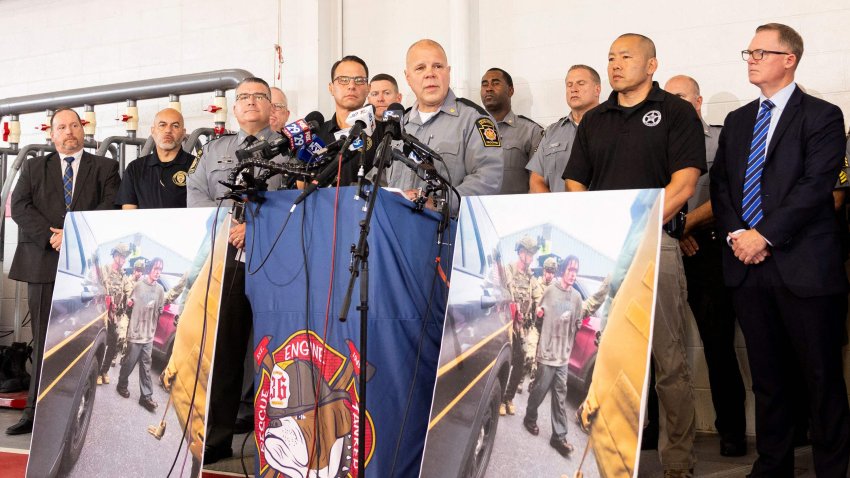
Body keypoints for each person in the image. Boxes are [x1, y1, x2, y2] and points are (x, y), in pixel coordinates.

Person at [709, 23, 850, 477]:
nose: (750, 58)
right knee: (768, 381)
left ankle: (832, 468)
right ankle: (772, 465)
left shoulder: (824, 116)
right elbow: (723, 186)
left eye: (760, 52)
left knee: (821, 378)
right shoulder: (736, 120)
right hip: (748, 269)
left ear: (789, 59)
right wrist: (737, 235)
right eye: (747, 52)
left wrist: (762, 236)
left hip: (804, 266)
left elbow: (815, 187)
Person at [564, 33, 705, 478]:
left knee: (669, 361)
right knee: (603, 358)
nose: (616, 64)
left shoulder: (677, 114)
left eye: (626, 57)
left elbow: (683, 185)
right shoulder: (595, 119)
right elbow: (574, 182)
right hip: (606, 250)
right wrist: (602, 227)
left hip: (654, 244)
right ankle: (607, 457)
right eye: (610, 57)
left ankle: (678, 463)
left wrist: (636, 229)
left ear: (652, 64)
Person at [187, 76, 284, 463]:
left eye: (257, 97)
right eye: (242, 97)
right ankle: (216, 437)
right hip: (226, 260)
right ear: (233, 106)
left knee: (274, 351)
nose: (249, 103)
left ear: (271, 106)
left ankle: (276, 440)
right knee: (224, 350)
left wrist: (256, 228)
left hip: (273, 261)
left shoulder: (289, 151)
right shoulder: (213, 149)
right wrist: (232, 225)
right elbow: (195, 193)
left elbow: (298, 199)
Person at [5, 107, 119, 436]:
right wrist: (50, 235)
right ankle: (34, 412)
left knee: (88, 338)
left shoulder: (106, 168)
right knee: (43, 339)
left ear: (82, 130)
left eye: (74, 125)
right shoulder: (33, 166)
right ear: (51, 134)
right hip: (42, 262)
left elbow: (109, 206)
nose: (69, 132)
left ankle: (86, 414)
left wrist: (70, 231)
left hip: (87, 266)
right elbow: (20, 206)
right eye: (61, 127)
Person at [664, 74, 748, 457]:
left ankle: (730, 430)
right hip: (667, 248)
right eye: (669, 97)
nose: (675, 102)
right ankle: (656, 434)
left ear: (697, 102)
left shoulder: (720, 139)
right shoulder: (659, 141)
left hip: (708, 254)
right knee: (662, 348)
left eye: (681, 96)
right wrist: (676, 233)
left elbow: (728, 197)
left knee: (717, 346)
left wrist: (684, 225)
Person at [387, 39, 504, 215]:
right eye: (420, 68)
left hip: (444, 234)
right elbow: (378, 178)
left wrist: (438, 203)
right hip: (395, 233)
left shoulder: (474, 120)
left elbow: (488, 179)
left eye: (438, 66)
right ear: (408, 77)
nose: (430, 74)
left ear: (448, 73)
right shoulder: (398, 125)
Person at [524, 255, 608, 457]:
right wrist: (539, 318)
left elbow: (579, 320)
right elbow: (538, 318)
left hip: (563, 357)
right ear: (563, 271)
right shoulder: (550, 291)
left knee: (560, 397)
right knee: (539, 391)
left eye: (576, 271)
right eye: (570, 270)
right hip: (547, 353)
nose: (573, 275)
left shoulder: (577, 299)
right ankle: (529, 418)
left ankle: (558, 437)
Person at [527, 65, 601, 193]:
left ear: (597, 89)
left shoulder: (612, 126)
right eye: (569, 85)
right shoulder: (552, 132)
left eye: (581, 83)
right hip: (557, 211)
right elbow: (536, 180)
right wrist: (555, 209)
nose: (574, 89)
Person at [317, 55, 378, 186]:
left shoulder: (383, 132)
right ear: (331, 88)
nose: (351, 86)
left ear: (368, 88)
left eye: (359, 80)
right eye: (343, 80)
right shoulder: (317, 135)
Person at [480, 67, 543, 194]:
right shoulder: (471, 130)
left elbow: (538, 183)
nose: (489, 88)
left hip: (516, 211)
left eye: (496, 83)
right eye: (484, 84)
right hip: (476, 210)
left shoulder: (531, 132)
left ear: (510, 90)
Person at [116, 108, 193, 209]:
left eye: (175, 126)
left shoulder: (197, 166)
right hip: (144, 225)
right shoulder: (135, 168)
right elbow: (128, 212)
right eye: (162, 125)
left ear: (183, 133)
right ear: (153, 131)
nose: (168, 130)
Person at [116, 257, 165, 413]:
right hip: (136, 332)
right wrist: (129, 303)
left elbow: (160, 309)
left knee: (146, 366)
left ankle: (145, 397)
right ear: (150, 269)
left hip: (148, 335)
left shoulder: (160, 290)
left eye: (160, 270)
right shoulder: (138, 286)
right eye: (156, 269)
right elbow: (128, 304)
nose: (158, 272)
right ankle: (121, 384)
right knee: (129, 362)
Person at [501, 236, 542, 416]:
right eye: (529, 254)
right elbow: (501, 289)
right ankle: (498, 396)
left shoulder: (531, 278)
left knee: (521, 361)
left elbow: (539, 297)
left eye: (533, 255)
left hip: (521, 327)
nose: (531, 258)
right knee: (503, 361)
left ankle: (507, 398)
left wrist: (540, 307)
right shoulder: (508, 269)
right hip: (505, 324)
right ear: (521, 253)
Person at [99, 243, 130, 385]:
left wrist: (130, 299)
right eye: (122, 257)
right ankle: (96, 371)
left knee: (113, 343)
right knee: (100, 343)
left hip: (113, 316)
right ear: (116, 256)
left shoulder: (123, 276)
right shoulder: (104, 269)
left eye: (125, 257)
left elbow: (129, 291)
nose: (124, 260)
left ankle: (103, 371)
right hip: (101, 314)